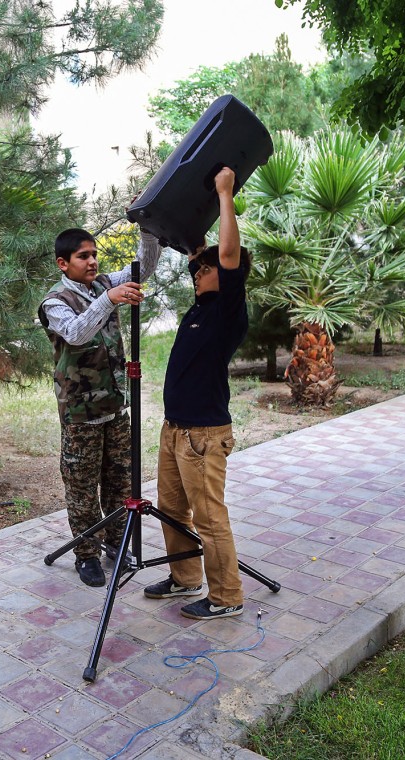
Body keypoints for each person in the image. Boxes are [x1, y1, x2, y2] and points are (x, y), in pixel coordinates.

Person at [143, 166, 251, 619]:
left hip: (204, 434)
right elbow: (199, 249)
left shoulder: (228, 307)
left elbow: (226, 252)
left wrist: (224, 192)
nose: (198, 272)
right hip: (176, 431)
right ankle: (186, 578)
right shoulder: (200, 307)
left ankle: (227, 597)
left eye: (206, 270)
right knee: (172, 508)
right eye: (197, 269)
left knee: (209, 517)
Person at [38, 226, 161, 586]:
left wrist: (148, 234)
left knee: (119, 481)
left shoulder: (102, 284)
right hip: (80, 414)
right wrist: (109, 298)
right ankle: (86, 555)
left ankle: (116, 545)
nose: (92, 261)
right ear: (63, 263)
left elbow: (144, 269)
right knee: (81, 487)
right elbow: (76, 333)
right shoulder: (54, 302)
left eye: (94, 254)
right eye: (83, 256)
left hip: (115, 406)